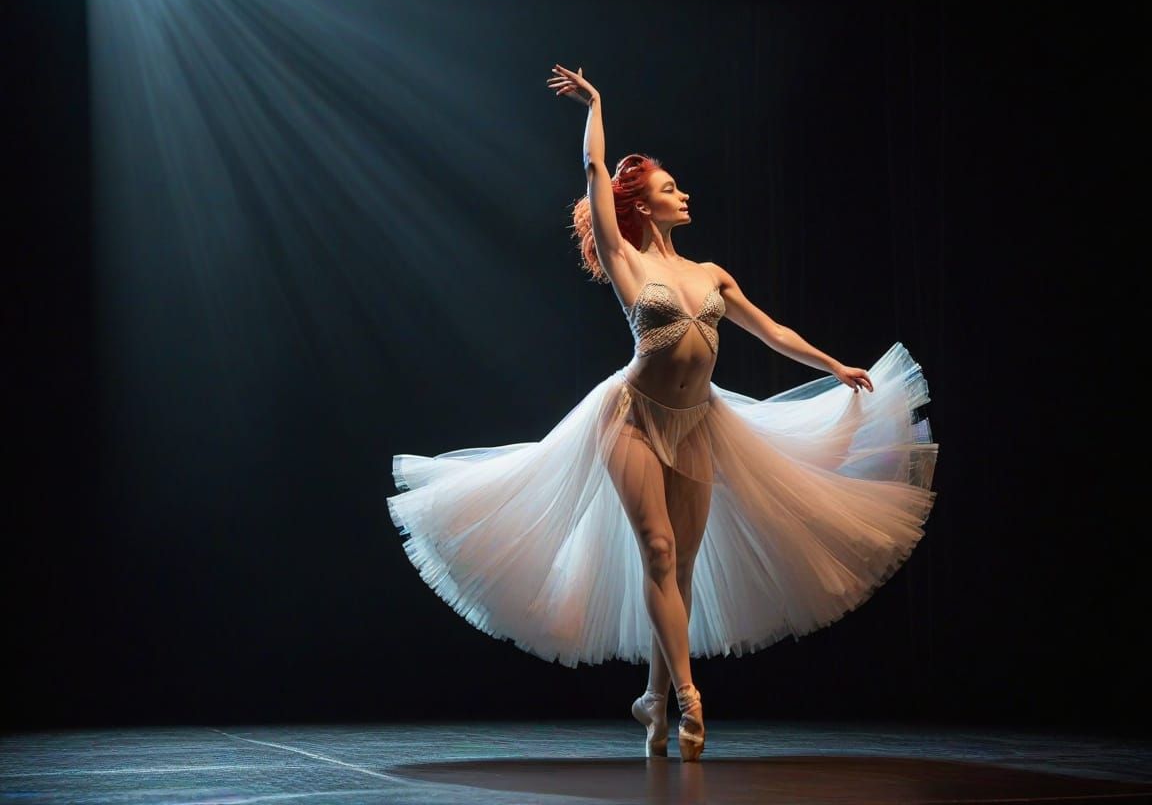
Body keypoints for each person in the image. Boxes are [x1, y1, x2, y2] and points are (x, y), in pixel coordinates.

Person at [387, 63, 938, 762]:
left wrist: (834, 366)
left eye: (678, 186)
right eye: (669, 188)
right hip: (633, 419)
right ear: (641, 206)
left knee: (677, 574)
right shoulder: (626, 262)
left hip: (700, 423)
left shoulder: (709, 275)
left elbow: (771, 331)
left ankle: (651, 696)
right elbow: (593, 169)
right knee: (657, 550)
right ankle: (688, 698)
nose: (684, 194)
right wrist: (596, 104)